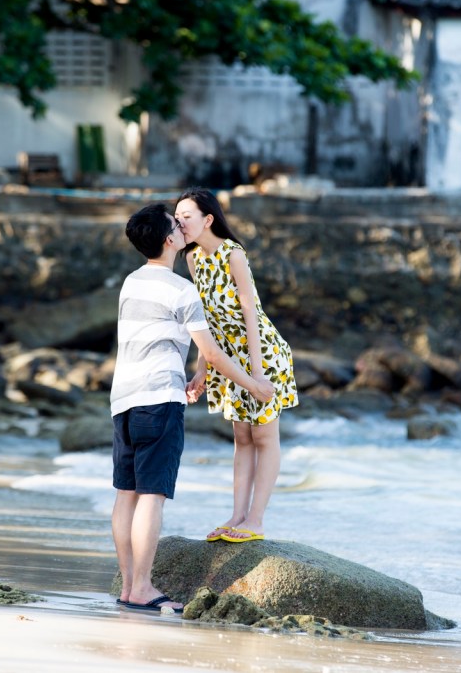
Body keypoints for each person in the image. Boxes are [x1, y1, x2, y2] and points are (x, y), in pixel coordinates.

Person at [110, 203, 275, 614]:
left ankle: (129, 585)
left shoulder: (131, 282)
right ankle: (145, 588)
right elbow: (214, 355)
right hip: (159, 401)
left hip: (123, 400)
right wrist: (255, 383)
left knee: (125, 493)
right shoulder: (182, 290)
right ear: (169, 240)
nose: (183, 226)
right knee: (151, 495)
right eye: (176, 223)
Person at [176, 188, 299, 544]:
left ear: (208, 219)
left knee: (263, 435)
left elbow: (251, 314)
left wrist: (257, 373)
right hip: (226, 360)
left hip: (263, 354)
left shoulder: (234, 254)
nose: (180, 222)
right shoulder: (194, 259)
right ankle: (237, 516)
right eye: (178, 216)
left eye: (187, 216)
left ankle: (256, 521)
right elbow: (207, 321)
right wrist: (202, 370)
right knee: (241, 438)